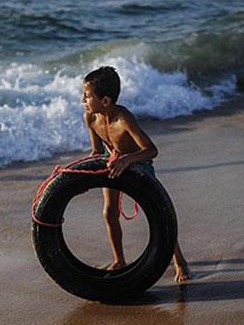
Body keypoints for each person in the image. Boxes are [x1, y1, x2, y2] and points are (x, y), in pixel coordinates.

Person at [81, 66, 190, 283]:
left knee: (160, 214)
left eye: (87, 95)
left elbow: (151, 150)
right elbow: (97, 151)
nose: (83, 99)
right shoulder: (90, 118)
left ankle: (179, 260)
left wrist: (128, 159)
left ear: (105, 100)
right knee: (109, 212)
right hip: (114, 162)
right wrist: (82, 171)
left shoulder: (123, 120)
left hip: (138, 163)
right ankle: (119, 259)